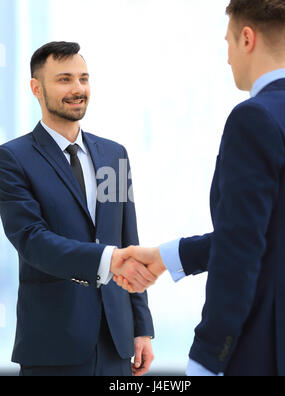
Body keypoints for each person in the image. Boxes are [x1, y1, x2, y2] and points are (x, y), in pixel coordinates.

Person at [114, 0, 285, 376]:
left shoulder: (254, 118)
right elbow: (276, 234)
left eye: (228, 42)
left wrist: (208, 356)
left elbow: (242, 249)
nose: (228, 57)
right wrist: (169, 257)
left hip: (268, 350)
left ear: (247, 39)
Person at [0, 41, 156, 376]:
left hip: (116, 339)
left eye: (83, 79)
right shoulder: (13, 159)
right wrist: (106, 260)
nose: (78, 89)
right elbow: (32, 241)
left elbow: (130, 240)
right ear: (35, 88)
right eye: (64, 79)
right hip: (53, 343)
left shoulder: (115, 155)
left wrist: (141, 327)